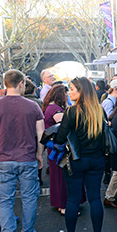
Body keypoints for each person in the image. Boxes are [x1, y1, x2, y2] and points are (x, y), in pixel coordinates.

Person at [0, 70, 44, 232]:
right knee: (29, 198)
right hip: (27, 158)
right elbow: (41, 133)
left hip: (3, 159)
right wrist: (39, 155)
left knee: (4, 200)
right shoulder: (33, 107)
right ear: (21, 84)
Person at [54, 77, 107, 232]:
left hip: (76, 161)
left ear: (81, 91)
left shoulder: (71, 112)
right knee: (94, 198)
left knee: (73, 199)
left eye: (72, 89)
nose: (69, 92)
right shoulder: (99, 111)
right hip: (97, 160)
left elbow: (60, 138)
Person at [42, 84, 69, 215]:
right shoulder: (57, 110)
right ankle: (63, 205)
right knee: (61, 177)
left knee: (56, 176)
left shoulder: (48, 107)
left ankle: (59, 203)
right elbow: (63, 128)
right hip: (58, 149)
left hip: (52, 147)